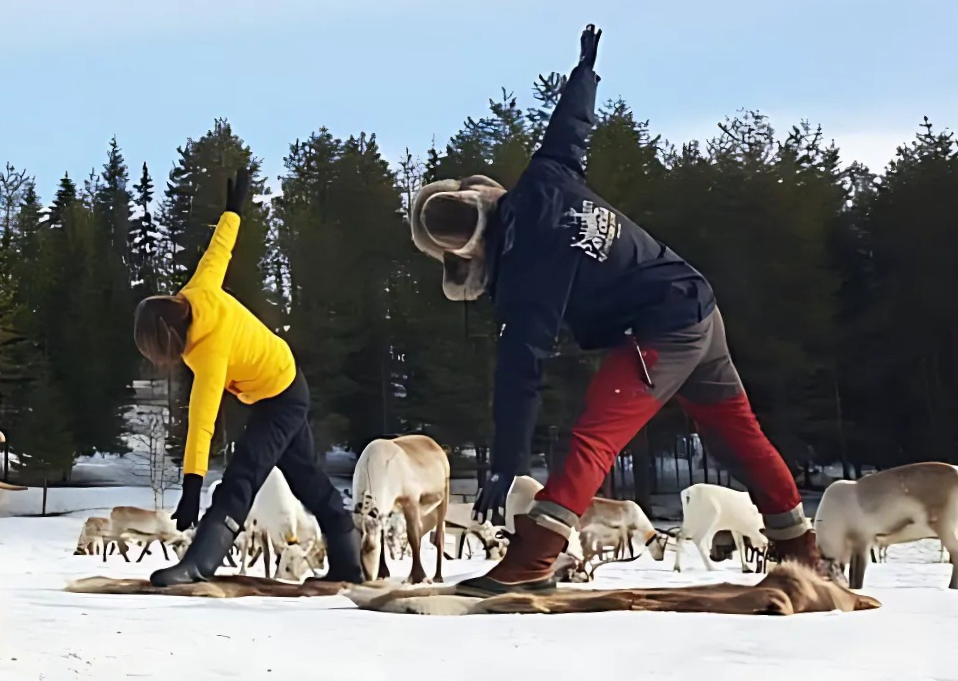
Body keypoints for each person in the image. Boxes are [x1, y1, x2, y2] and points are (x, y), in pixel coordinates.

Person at [406, 25, 823, 597]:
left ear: (470, 257)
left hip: (665, 328)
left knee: (595, 434)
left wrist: (504, 464)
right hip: (696, 303)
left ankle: (535, 555)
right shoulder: (545, 179)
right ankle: (800, 548)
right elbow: (568, 129)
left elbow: (520, 376)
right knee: (736, 435)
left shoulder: (524, 277)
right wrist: (585, 73)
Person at [136, 175, 364, 587]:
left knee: (244, 473)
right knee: (308, 480)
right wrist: (233, 210)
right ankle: (349, 562)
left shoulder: (209, 351)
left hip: (282, 396)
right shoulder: (196, 291)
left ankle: (200, 563)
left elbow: (201, 421)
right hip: (278, 386)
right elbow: (218, 250)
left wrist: (192, 487)